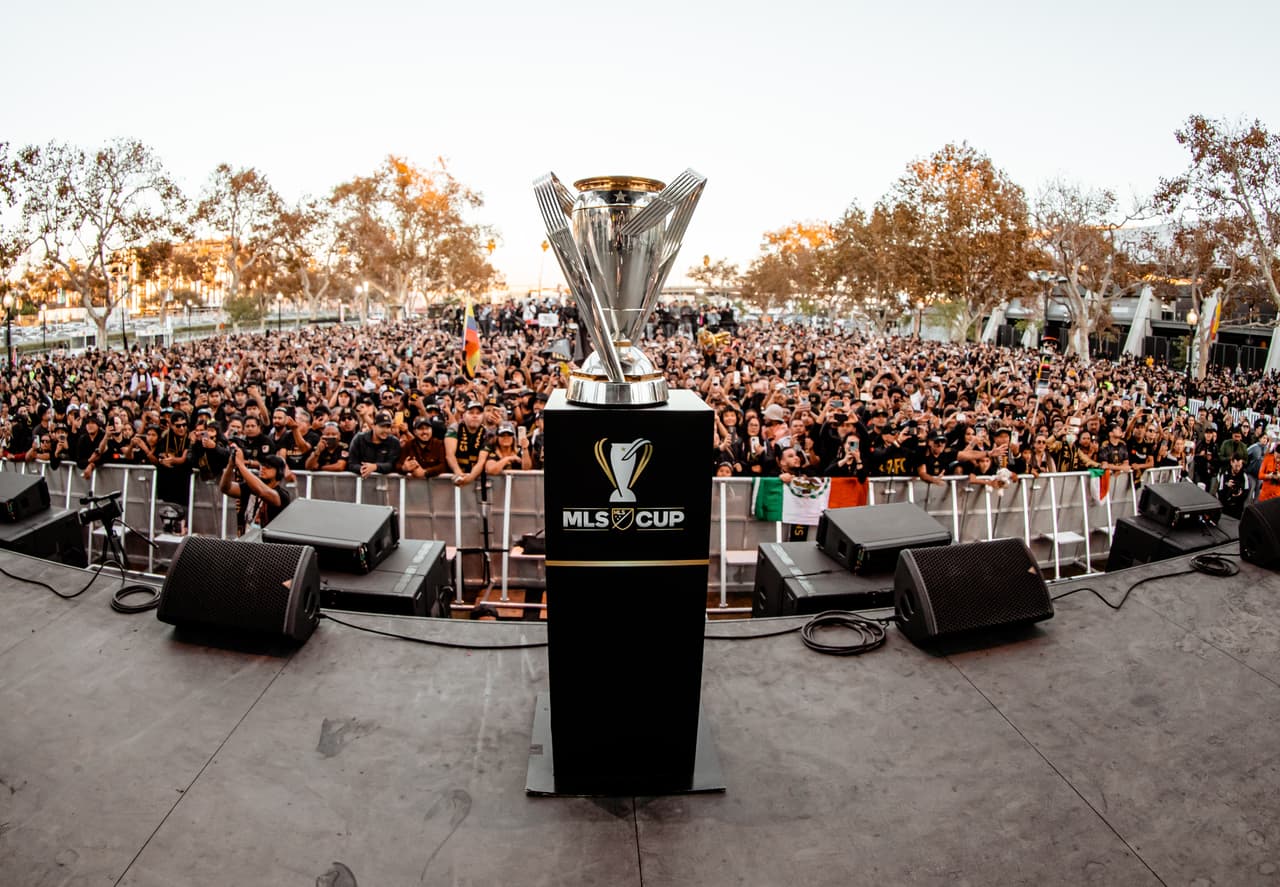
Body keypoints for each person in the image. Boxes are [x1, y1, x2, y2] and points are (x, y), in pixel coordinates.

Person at [219, 445, 291, 536]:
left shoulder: (282, 495)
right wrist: (230, 465)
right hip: (245, 539)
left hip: (267, 542)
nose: (263, 468)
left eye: (268, 466)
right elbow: (226, 488)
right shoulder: (250, 488)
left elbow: (262, 492)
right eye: (262, 465)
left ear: (279, 471)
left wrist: (241, 465)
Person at [445, 401, 490, 487]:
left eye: (478, 413)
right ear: (464, 415)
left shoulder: (487, 433)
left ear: (482, 416)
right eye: (471, 413)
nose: (475, 416)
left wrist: (469, 478)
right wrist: (458, 473)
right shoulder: (455, 428)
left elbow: (482, 461)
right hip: (453, 477)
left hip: (475, 477)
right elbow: (450, 455)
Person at [347, 410, 401, 478]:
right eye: (382, 426)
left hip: (385, 482)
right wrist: (364, 468)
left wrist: (375, 467)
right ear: (373, 426)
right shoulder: (359, 439)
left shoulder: (394, 442)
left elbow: (391, 465)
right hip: (361, 480)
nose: (385, 430)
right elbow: (351, 464)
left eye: (388, 427)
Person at [1216, 453, 1252, 519]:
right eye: (1236, 466)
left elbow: (1246, 492)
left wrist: (1240, 495)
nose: (1238, 468)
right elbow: (1219, 492)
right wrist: (1227, 486)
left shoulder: (1244, 476)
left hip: (1238, 508)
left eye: (1240, 466)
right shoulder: (1224, 475)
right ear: (1231, 463)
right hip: (1225, 508)